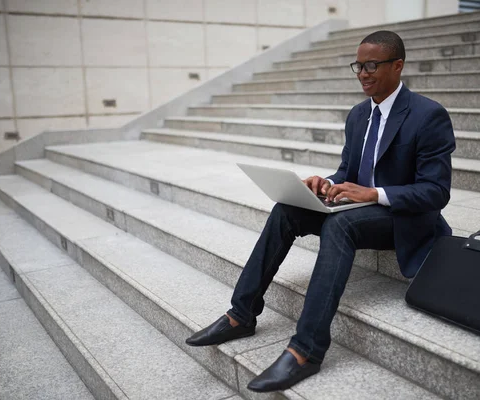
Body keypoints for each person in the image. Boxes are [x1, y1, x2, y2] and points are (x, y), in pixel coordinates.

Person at [186, 30, 455, 392]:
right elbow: (347, 172)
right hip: (363, 206)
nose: (363, 72)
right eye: (358, 66)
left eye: (372, 65)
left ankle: (306, 351)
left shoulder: (428, 115)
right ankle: (241, 314)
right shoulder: (359, 115)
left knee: (340, 226)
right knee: (286, 209)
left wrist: (374, 194)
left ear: (398, 65)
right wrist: (324, 183)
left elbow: (436, 192)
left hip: (405, 218)